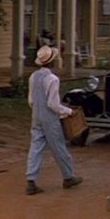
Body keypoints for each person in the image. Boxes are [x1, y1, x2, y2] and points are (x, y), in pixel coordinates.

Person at [25, 45, 82, 195]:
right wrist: (68, 111)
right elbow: (53, 104)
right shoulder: (52, 79)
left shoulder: (33, 77)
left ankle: (31, 180)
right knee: (59, 147)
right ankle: (68, 176)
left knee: (35, 148)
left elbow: (31, 100)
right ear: (52, 61)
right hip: (50, 118)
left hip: (36, 115)